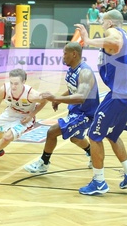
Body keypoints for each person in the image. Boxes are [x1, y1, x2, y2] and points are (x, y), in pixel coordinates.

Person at [74, 10, 127, 195]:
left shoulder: (114, 34)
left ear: (110, 22)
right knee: (111, 135)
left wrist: (87, 41)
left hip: (119, 95)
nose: (101, 25)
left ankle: (99, 182)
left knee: (94, 135)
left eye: (103, 22)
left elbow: (115, 42)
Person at [24, 42, 99, 173]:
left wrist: (55, 98)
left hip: (86, 114)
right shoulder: (72, 69)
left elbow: (81, 96)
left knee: (52, 132)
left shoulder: (85, 72)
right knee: (76, 138)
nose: (63, 56)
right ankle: (93, 155)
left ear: (74, 54)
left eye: (65, 53)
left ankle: (44, 163)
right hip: (76, 110)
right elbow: (72, 89)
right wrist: (59, 99)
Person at [0, 68, 47, 169]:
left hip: (25, 117)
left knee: (7, 137)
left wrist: (31, 115)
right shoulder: (3, 90)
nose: (13, 86)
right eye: (11, 83)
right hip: (10, 112)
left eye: (16, 83)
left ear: (23, 82)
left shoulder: (31, 94)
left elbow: (45, 100)